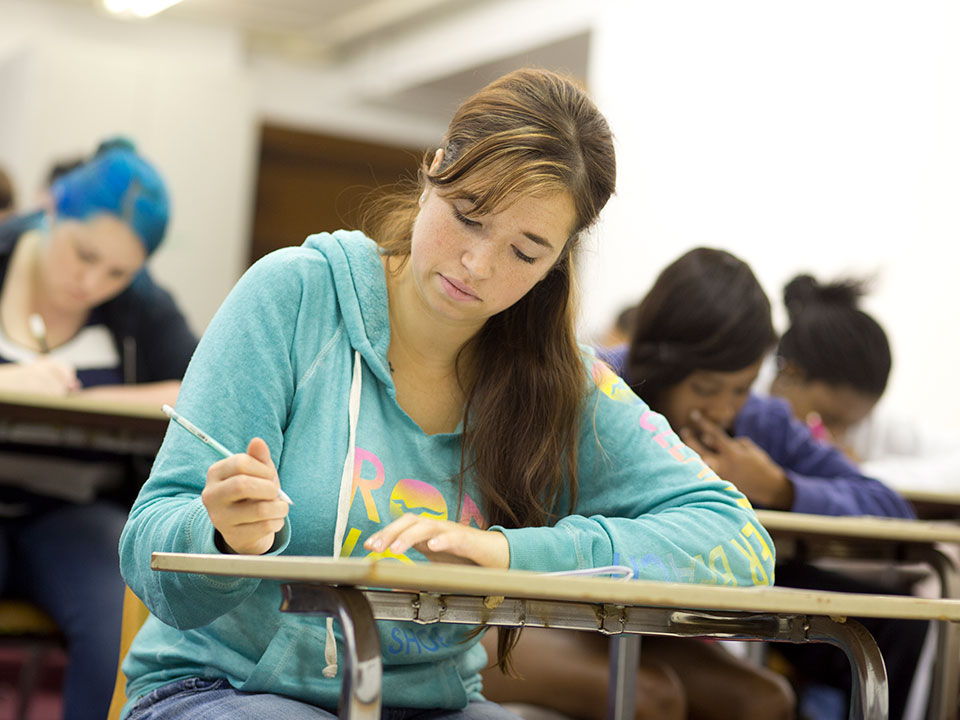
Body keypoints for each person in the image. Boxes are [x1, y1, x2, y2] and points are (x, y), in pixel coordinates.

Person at [117, 70, 775, 720]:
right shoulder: (294, 297)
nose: (477, 264)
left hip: (427, 704)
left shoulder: (559, 379)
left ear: (558, 261)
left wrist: (514, 556)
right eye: (470, 216)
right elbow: (147, 540)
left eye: (526, 251)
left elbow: (741, 545)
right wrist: (221, 536)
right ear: (435, 167)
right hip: (222, 689)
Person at [483, 248, 924, 720]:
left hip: (642, 620)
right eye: (707, 389)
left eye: (741, 388)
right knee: (650, 697)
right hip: (548, 601)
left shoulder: (756, 421)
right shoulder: (593, 386)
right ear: (663, 363)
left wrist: (779, 487)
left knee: (767, 701)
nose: (723, 409)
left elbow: (890, 509)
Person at [0, 137, 196, 720]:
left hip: (71, 513)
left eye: (117, 271)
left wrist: (86, 397)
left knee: (123, 614)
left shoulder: (140, 306)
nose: (93, 282)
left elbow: (202, 386)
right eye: (83, 255)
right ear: (51, 209)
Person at [770, 274, 960, 493]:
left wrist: (857, 471)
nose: (836, 437)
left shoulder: (869, 422)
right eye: (828, 418)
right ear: (790, 375)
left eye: (852, 424)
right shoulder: (741, 401)